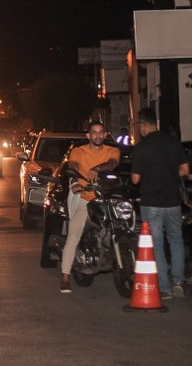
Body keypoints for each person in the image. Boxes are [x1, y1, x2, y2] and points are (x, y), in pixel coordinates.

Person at [130, 107, 190, 299]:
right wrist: (169, 175)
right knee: (176, 240)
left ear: (142, 125)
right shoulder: (173, 142)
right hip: (172, 201)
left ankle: (165, 288)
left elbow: (135, 180)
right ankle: (179, 282)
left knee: (156, 244)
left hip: (151, 202)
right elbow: (185, 170)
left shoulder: (141, 147)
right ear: (155, 122)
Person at [59, 120, 120, 294]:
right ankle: (65, 276)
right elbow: (74, 165)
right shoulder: (79, 152)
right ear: (88, 135)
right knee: (74, 234)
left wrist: (98, 168)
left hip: (107, 199)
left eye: (101, 132)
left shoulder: (112, 150)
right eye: (94, 132)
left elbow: (113, 163)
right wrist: (75, 181)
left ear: (105, 134)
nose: (98, 135)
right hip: (86, 198)